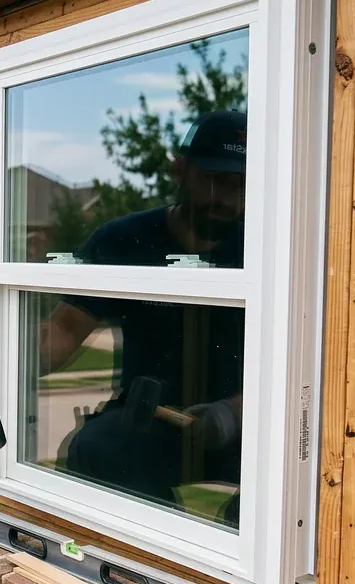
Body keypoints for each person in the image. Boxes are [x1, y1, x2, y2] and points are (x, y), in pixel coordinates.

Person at [41, 110, 247, 526]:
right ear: (181, 169)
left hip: (249, 425)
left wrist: (233, 414)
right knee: (95, 449)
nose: (227, 198)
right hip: (151, 419)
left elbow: (304, 364)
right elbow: (62, 331)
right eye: (214, 180)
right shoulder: (126, 239)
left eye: (241, 185)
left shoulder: (267, 244)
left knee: (303, 481)